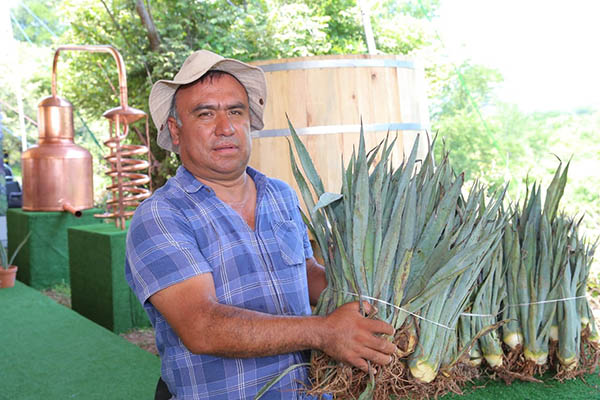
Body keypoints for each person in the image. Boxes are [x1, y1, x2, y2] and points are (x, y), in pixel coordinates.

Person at [125, 50, 396, 400]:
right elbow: (202, 327)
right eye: (205, 114)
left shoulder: (279, 194)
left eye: (235, 111)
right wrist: (324, 332)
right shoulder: (161, 216)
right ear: (175, 131)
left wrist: (369, 289)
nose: (225, 128)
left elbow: (307, 272)